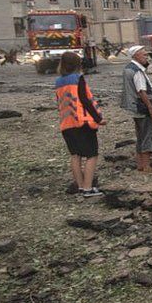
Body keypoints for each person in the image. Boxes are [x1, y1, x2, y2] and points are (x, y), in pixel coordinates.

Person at [55, 51, 106, 197]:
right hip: (82, 123)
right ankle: (88, 188)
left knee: (75, 155)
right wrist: (98, 118)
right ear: (77, 64)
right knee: (92, 155)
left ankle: (80, 186)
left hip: (66, 124)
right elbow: (85, 100)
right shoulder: (78, 79)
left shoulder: (58, 82)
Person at [120, 45, 152, 172]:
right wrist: (151, 108)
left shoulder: (128, 69)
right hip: (142, 108)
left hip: (134, 108)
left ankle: (140, 165)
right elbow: (141, 91)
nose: (146, 57)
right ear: (136, 55)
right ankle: (147, 166)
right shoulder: (137, 71)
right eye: (144, 54)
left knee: (140, 136)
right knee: (147, 135)